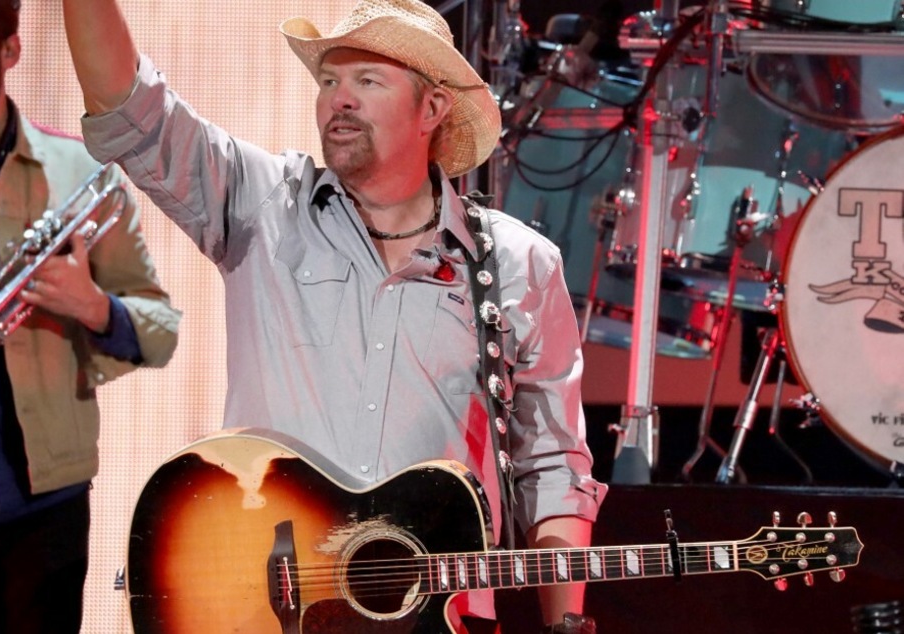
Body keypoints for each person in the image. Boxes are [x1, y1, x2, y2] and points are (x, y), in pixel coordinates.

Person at [61, 0, 606, 632]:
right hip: (264, 611)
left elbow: (552, 465)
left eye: (366, 81)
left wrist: (565, 625)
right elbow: (129, 109)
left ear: (431, 110)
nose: (337, 100)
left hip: (436, 616)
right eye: (328, 81)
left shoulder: (520, 264)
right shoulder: (261, 205)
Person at [0, 0, 181, 632]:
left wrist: (93, 306)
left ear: (10, 51)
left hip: (41, 504)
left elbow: (161, 332)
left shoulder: (80, 173)